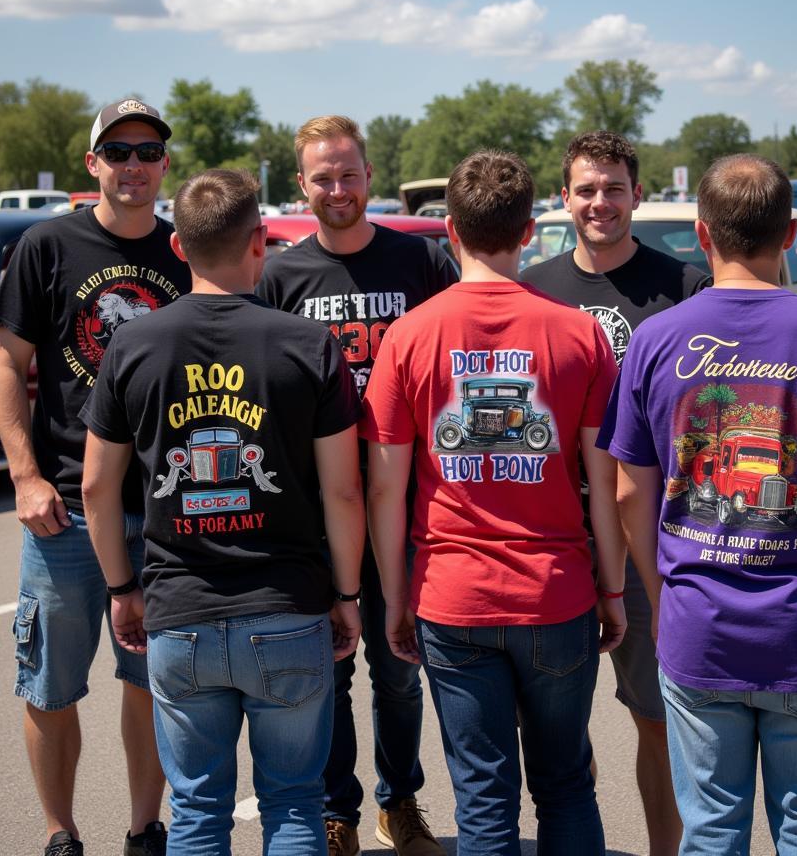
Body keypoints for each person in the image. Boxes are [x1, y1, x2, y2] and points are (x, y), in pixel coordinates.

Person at [606, 153, 797, 855]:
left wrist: (661, 587)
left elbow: (628, 489)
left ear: (704, 235)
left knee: (711, 831)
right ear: (789, 236)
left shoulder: (653, 342)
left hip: (697, 628)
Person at [80, 169, 366, 856]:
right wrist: (349, 593)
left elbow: (95, 486)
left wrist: (122, 589)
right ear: (260, 244)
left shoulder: (133, 345)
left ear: (178, 248)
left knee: (200, 811)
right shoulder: (307, 345)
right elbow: (344, 491)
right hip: (289, 607)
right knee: (295, 805)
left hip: (180, 614)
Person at [362, 149, 627, 856]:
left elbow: (385, 484)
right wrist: (613, 587)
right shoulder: (580, 334)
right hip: (558, 592)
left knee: (483, 794)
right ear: (527, 229)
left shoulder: (409, 336)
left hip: (453, 596)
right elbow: (603, 480)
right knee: (566, 781)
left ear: (449, 229)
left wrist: (394, 598)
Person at [0, 99, 192, 856]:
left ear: (165, 163)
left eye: (147, 151)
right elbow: (8, 366)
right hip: (65, 513)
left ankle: (145, 828)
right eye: (118, 151)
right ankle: (60, 834)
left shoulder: (185, 252)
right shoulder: (48, 245)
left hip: (170, 511)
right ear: (92, 163)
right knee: (49, 684)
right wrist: (24, 476)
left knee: (152, 684)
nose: (132, 164)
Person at [257, 115, 456, 856]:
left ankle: (398, 802)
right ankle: (336, 808)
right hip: (316, 512)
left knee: (399, 669)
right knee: (329, 670)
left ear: (369, 174)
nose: (336, 188)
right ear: (302, 184)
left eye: (348, 173)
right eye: (321, 176)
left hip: (405, 508)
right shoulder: (281, 276)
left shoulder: (422, 262)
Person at [522, 130, 708, 856]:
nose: (601, 202)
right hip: (555, 537)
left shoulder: (683, 287)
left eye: (615, 188)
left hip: (649, 540)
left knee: (658, 719)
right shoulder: (533, 288)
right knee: (556, 727)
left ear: (637, 192)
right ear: (563, 197)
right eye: (587, 189)